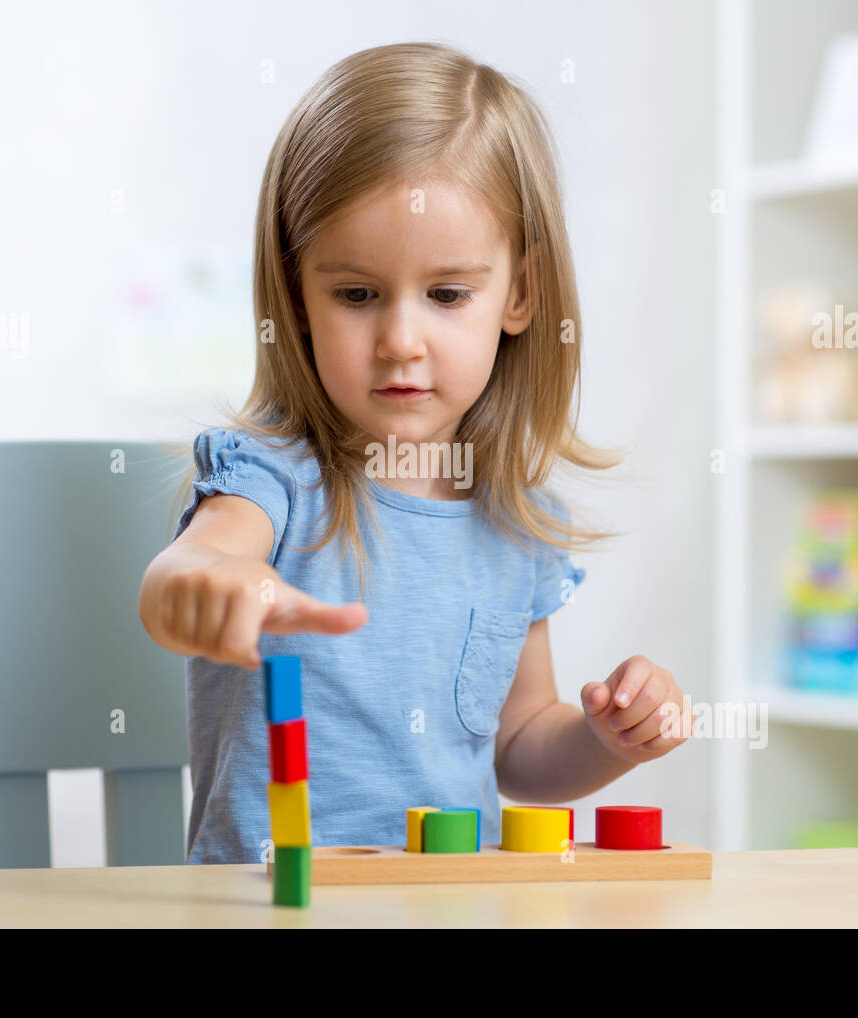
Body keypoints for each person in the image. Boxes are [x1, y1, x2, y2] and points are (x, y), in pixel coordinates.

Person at [138, 42, 688, 865]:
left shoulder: (517, 523)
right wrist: (207, 587)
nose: (400, 341)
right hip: (270, 915)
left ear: (521, 294)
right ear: (296, 295)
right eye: (356, 294)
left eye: (446, 295)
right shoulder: (271, 476)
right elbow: (190, 567)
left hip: (454, 911)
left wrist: (611, 738)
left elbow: (521, 748)